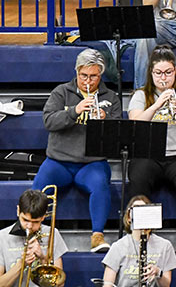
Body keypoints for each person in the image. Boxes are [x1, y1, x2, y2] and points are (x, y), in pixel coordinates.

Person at [32, 47, 121, 253]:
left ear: (101, 75)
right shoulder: (61, 92)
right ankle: (32, 233)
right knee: (37, 188)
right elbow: (49, 121)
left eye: (93, 76)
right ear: (76, 72)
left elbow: (118, 134)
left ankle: (97, 236)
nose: (88, 81)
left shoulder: (111, 97)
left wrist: (105, 121)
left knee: (100, 184)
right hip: (59, 161)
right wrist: (75, 111)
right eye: (83, 75)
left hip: (92, 162)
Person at [128, 46, 176, 252]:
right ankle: (140, 235)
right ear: (151, 74)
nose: (164, 77)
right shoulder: (141, 96)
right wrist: (157, 105)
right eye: (158, 73)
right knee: (138, 179)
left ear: (175, 72)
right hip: (148, 154)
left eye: (168, 72)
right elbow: (135, 126)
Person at [101, 195, 176, 287]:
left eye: (144, 210)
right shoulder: (118, 247)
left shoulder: (165, 246)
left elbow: (166, 285)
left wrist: (158, 272)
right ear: (129, 217)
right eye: (136, 210)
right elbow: (107, 284)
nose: (140, 214)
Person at [0, 189, 68, 286]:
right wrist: (21, 264)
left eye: (36, 222)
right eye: (25, 220)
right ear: (18, 210)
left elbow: (60, 284)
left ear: (44, 217)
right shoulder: (2, 237)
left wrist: (43, 259)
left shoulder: (53, 233)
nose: (29, 226)